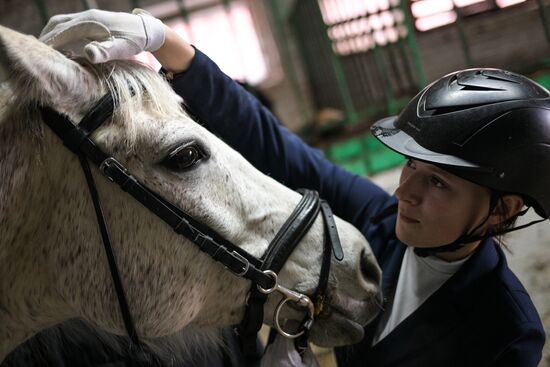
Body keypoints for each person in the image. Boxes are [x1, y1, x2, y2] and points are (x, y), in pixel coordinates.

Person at [23, 9, 550, 367]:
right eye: (410, 165)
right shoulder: (380, 224)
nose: (406, 191)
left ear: (501, 211)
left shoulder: (507, 330)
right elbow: (277, 148)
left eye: (437, 182)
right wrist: (167, 42)